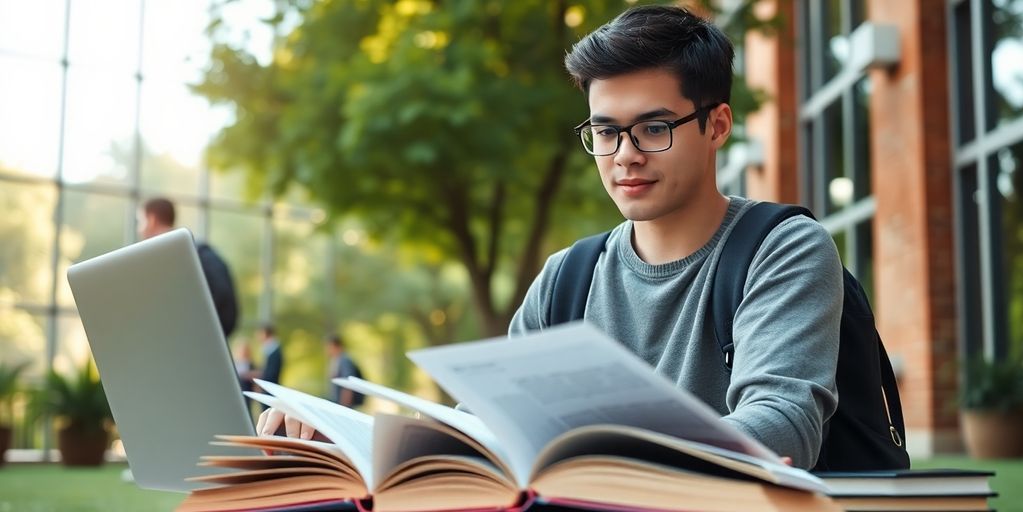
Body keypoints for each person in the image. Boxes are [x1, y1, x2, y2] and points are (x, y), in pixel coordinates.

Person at [257, 5, 843, 471]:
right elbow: (484, 431)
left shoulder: (782, 248)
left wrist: (598, 459)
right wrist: (341, 437)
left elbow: (782, 421)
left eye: (654, 128)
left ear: (716, 125)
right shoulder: (568, 277)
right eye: (607, 132)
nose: (626, 156)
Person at [140, 197, 240, 339]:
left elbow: (223, 300)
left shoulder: (196, 253)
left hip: (195, 340)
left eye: (141, 222)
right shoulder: (195, 253)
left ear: (152, 219)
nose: (140, 230)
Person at [325, 334, 365, 408]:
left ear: (337, 346)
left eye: (329, 347)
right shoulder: (335, 361)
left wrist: (344, 407)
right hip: (337, 401)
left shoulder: (344, 361)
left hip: (344, 404)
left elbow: (347, 384)